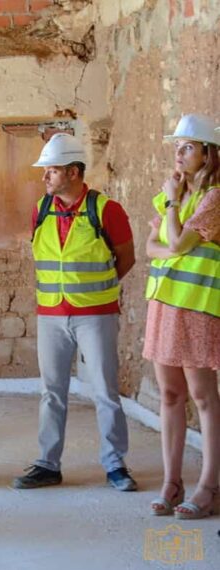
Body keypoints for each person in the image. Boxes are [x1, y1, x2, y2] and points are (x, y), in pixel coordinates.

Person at [12, 133, 137, 491]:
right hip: (51, 314)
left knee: (104, 391)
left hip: (95, 315)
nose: (44, 177)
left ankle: (115, 465)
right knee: (52, 391)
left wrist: (99, 292)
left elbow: (126, 258)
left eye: (51, 170)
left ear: (73, 172)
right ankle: (48, 464)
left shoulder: (105, 210)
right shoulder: (42, 209)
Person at [144, 114, 219, 519]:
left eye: (188, 146)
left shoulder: (214, 198)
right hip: (164, 306)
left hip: (199, 308)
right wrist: (170, 239)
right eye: (178, 145)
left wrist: (172, 204)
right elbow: (152, 248)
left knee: (204, 397)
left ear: (209, 153)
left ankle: (210, 485)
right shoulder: (175, 195)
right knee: (170, 395)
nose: (179, 152)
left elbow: (175, 240)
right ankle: (172, 482)